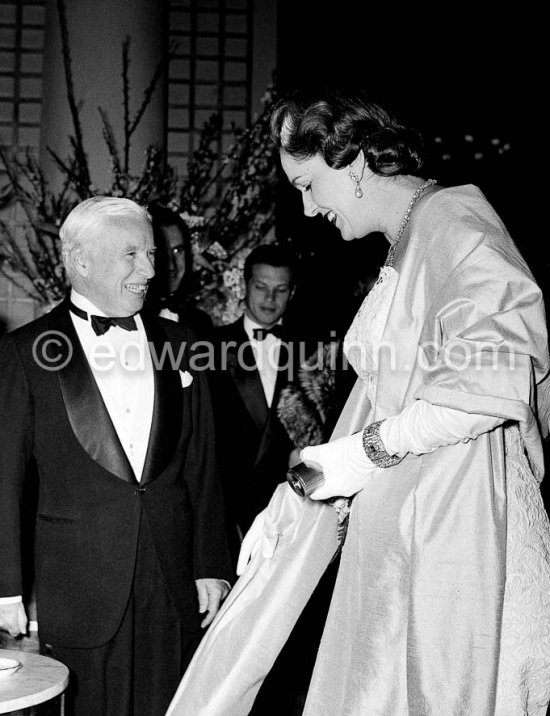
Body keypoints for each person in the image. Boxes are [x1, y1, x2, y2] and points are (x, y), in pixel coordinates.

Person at [166, 88, 550, 715]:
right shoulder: (412, 235)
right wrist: (294, 494)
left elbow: (493, 383)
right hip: (406, 526)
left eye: (309, 183)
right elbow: (376, 408)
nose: (308, 207)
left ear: (354, 162)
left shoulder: (455, 222)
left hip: (454, 529)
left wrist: (361, 453)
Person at [0, 196, 232, 716]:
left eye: (150, 255)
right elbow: (3, 479)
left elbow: (202, 466)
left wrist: (212, 565)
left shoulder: (183, 343)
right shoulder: (24, 352)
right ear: (80, 262)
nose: (150, 270)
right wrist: (5, 589)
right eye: (132, 254)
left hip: (173, 586)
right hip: (78, 588)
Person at [209, 243, 306, 563]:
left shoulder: (310, 352)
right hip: (229, 512)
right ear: (245, 285)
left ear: (292, 293)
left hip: (289, 509)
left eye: (280, 290)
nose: (270, 299)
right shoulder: (210, 347)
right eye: (261, 287)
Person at [145, 201, 213, 337]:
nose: (171, 265)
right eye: (162, 252)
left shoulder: (201, 322)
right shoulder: (128, 319)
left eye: (178, 251)